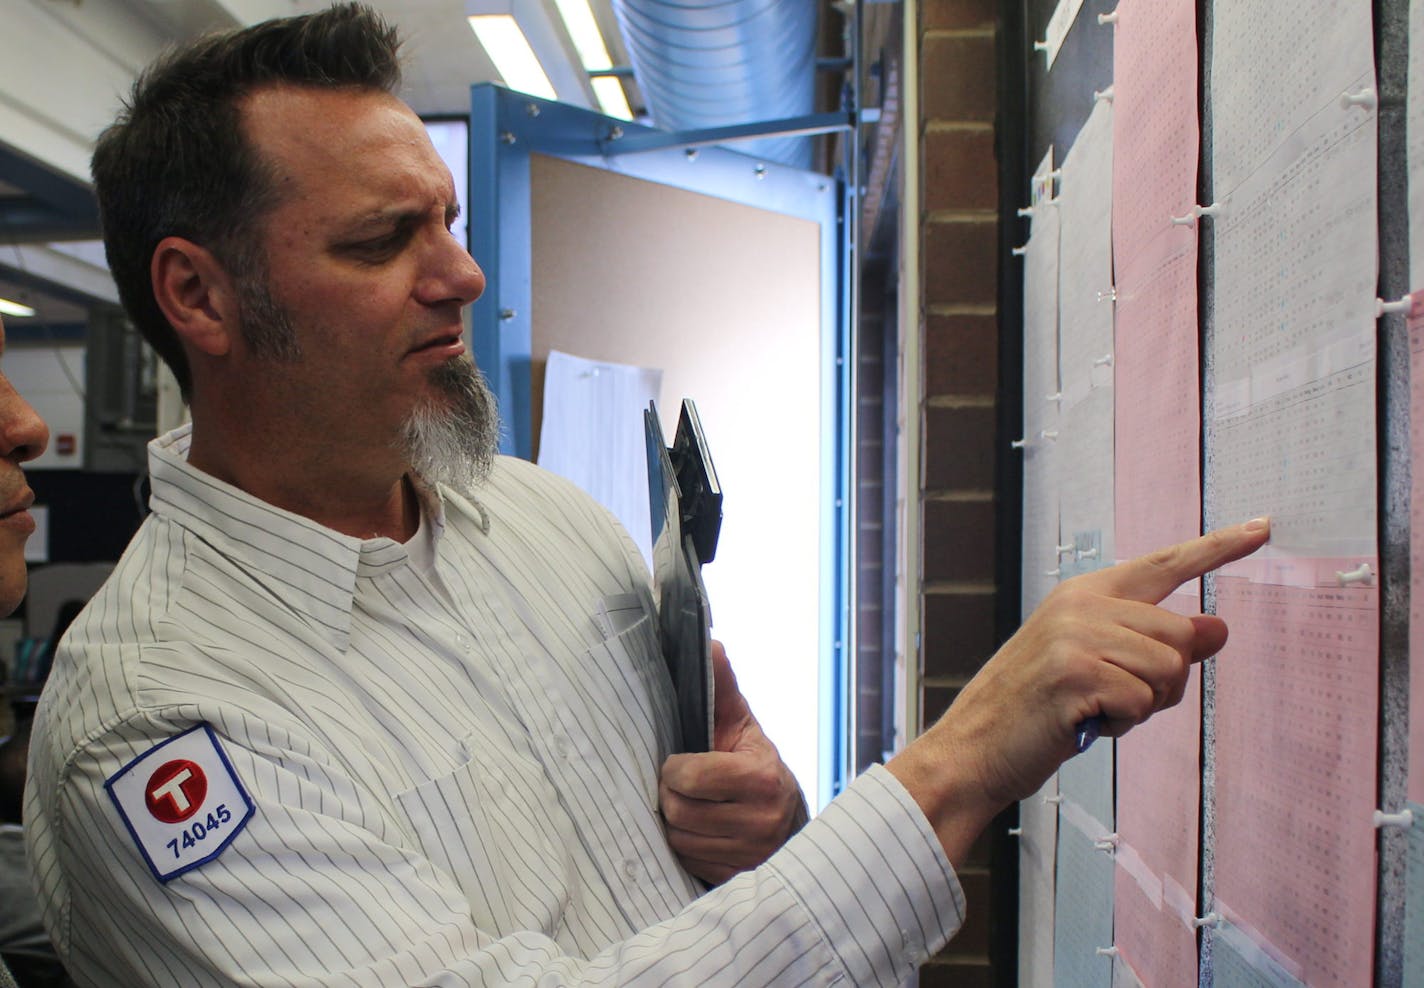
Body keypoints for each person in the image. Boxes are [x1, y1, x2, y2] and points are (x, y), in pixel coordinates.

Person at [23, 5, 1270, 986]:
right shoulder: (158, 723)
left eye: (446, 221)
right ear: (199, 297)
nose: (459, 274)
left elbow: (688, 871)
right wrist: (951, 768)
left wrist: (768, 820)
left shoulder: (543, 519)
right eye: (378, 241)